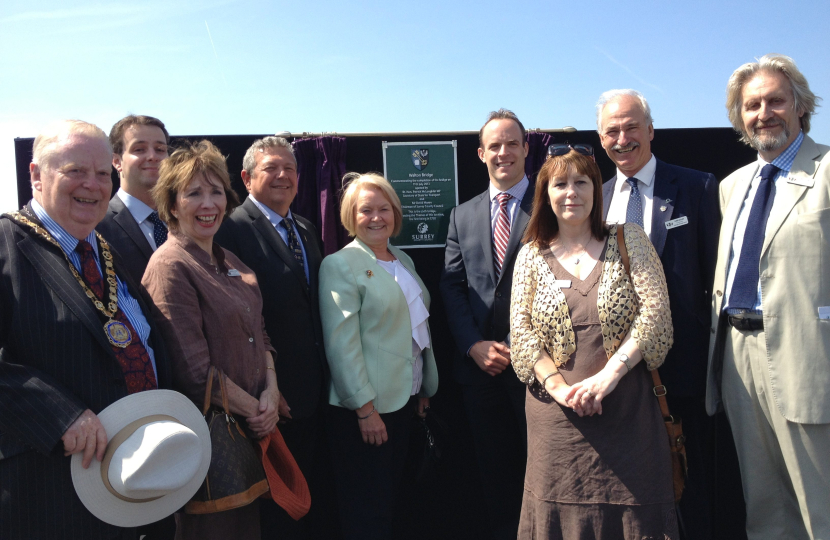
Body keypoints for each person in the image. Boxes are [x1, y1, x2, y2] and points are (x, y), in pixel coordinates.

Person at [0, 120, 171, 540]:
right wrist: (60, 414)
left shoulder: (104, 250)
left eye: (101, 173)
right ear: (36, 175)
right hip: (49, 493)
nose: (92, 185)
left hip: (135, 482)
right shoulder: (6, 245)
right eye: (75, 170)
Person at [511, 147, 676, 539]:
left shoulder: (629, 239)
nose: (571, 192)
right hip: (557, 422)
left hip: (628, 414)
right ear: (546, 194)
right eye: (560, 184)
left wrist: (607, 378)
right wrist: (560, 389)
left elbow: (655, 314)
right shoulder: (531, 254)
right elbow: (521, 332)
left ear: (596, 190)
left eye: (581, 182)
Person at [706, 54, 830, 540]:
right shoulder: (732, 186)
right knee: (765, 509)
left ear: (801, 105)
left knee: (820, 507)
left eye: (775, 100)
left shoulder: (827, 170)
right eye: (752, 105)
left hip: (808, 357)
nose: (764, 113)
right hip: (738, 361)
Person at [142, 140, 280, 540]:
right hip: (209, 443)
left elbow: (261, 334)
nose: (208, 204)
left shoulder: (231, 261)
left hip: (252, 430)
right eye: (194, 193)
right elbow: (194, 372)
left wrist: (272, 393)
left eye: (216, 192)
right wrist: (257, 410)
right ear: (172, 205)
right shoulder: (170, 266)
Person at [597, 89, 720, 538]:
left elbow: (716, 277)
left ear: (651, 130)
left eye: (632, 127)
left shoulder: (696, 187)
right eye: (612, 131)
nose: (622, 139)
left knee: (691, 484)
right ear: (601, 138)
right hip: (617, 375)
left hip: (682, 370)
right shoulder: (594, 198)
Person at [215, 136, 329, 539]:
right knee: (274, 512)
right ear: (247, 178)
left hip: (313, 392)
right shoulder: (229, 229)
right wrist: (267, 385)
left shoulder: (306, 228)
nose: (283, 175)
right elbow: (231, 320)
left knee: (306, 501)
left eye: (290, 168)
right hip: (265, 398)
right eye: (271, 168)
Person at [318, 172, 438, 540]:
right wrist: (364, 409)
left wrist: (423, 389)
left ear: (395, 213)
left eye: (383, 209)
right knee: (367, 510)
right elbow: (342, 344)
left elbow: (415, 327)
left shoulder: (402, 259)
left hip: (404, 400)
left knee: (395, 504)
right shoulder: (339, 264)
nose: (375, 217)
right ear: (350, 216)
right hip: (368, 411)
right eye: (365, 210)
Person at [439, 109, 531, 539]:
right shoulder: (462, 215)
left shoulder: (553, 204)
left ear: (526, 148)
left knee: (541, 471)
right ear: (480, 154)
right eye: (494, 145)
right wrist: (473, 344)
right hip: (479, 372)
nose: (503, 152)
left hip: (536, 369)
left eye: (512, 143)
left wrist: (518, 342)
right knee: (495, 477)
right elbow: (452, 286)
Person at [97, 115, 170, 285]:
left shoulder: (186, 220)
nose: (153, 156)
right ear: (117, 161)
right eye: (139, 149)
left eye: (160, 149)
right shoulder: (98, 225)